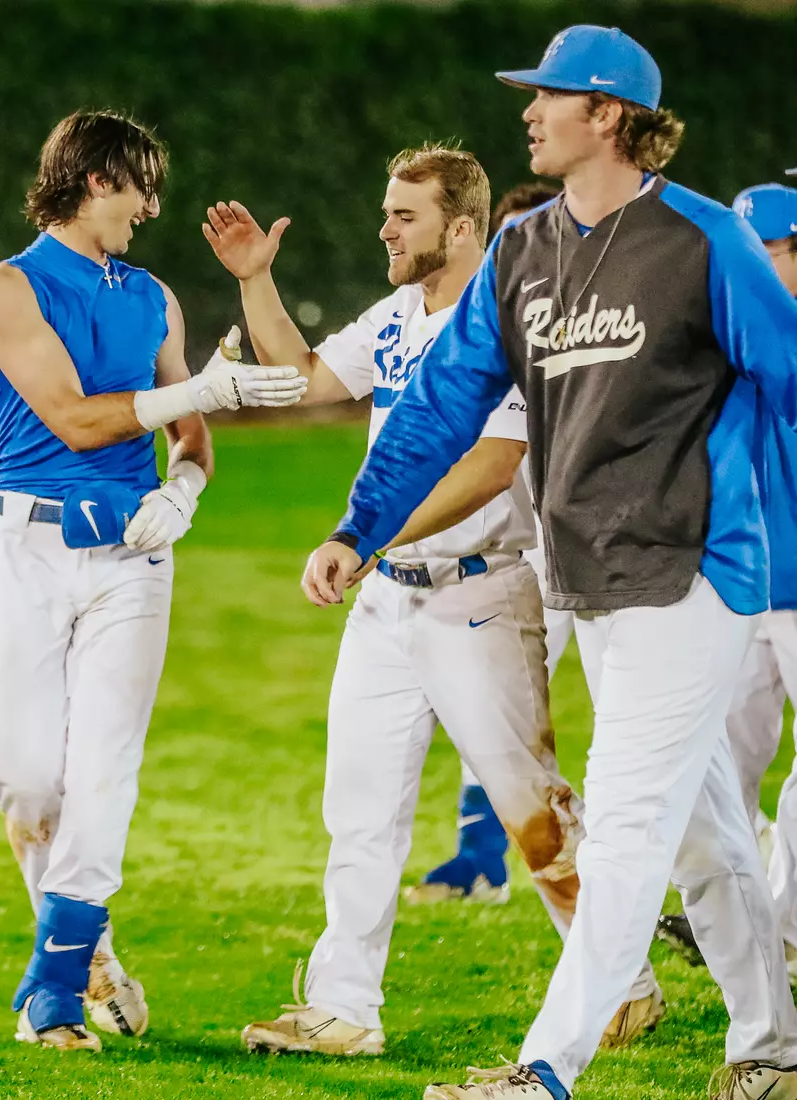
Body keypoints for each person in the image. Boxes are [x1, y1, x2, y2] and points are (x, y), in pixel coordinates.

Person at [300, 25, 797, 1100]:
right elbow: (438, 406)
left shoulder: (705, 241)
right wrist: (359, 525)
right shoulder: (523, 253)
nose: (527, 110)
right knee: (704, 829)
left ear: (609, 114)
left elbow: (791, 377)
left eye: (549, 94)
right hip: (589, 579)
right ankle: (769, 1046)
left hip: (694, 572)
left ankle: (544, 1067)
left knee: (623, 821)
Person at [203, 143, 660, 1057]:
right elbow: (302, 379)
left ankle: (621, 979)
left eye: (403, 215)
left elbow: (496, 466)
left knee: (534, 817)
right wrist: (257, 280)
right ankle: (344, 1008)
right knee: (360, 807)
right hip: (387, 604)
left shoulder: (511, 315)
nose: (384, 228)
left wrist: (371, 534)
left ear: (461, 227)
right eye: (387, 211)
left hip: (482, 596)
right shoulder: (398, 313)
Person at [0, 109, 307, 1053]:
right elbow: (76, 421)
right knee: (27, 780)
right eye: (142, 187)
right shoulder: (8, 288)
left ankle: (55, 988)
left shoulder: (153, 295)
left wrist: (184, 494)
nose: (151, 209)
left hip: (133, 559)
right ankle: (90, 942)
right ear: (96, 180)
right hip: (30, 549)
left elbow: (187, 441)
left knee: (104, 770)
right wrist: (201, 390)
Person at [407, 181, 566, 907]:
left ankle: (732, 862)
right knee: (497, 719)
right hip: (527, 551)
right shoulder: (487, 326)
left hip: (603, 553)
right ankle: (480, 854)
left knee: (668, 737)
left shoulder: (587, 323)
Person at [656, 182, 797, 980]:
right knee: (721, 766)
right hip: (738, 585)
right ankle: (743, 934)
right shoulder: (719, 335)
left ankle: (790, 929)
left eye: (771, 249)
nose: (756, 264)